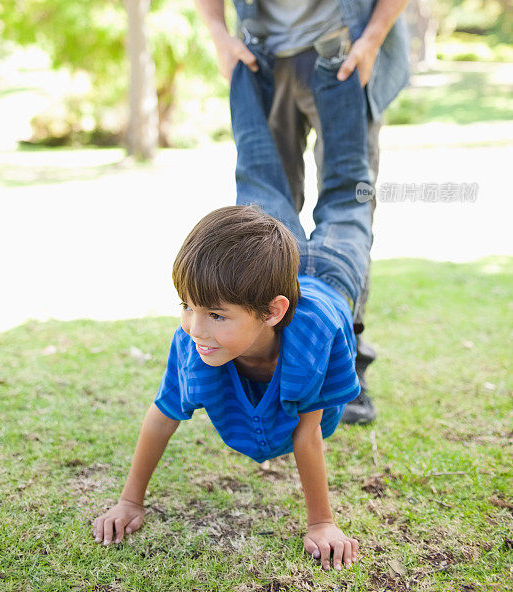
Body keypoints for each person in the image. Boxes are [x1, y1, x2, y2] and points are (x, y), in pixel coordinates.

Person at [186, 0, 424, 423]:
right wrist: (219, 36)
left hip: (346, 56)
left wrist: (372, 39)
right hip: (262, 60)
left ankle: (344, 363)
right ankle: (276, 359)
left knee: (349, 200)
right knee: (265, 213)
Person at [93, 48, 372, 571]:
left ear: (272, 313)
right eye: (187, 307)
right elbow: (162, 415)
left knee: (347, 192)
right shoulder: (199, 337)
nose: (195, 328)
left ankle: (340, 68)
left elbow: (306, 433)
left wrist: (320, 523)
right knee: (260, 172)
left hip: (331, 270)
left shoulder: (311, 339)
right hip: (259, 268)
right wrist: (130, 500)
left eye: (214, 315)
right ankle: (247, 70)